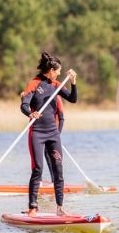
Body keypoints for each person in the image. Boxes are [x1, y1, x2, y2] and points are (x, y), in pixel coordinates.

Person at [20, 52, 77, 217]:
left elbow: (73, 99)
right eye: (58, 70)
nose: (59, 73)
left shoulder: (56, 85)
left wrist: (73, 83)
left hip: (53, 134)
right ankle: (33, 208)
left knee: (58, 170)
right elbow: (24, 104)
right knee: (38, 169)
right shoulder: (34, 83)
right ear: (51, 70)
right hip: (37, 132)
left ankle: (60, 208)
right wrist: (31, 113)